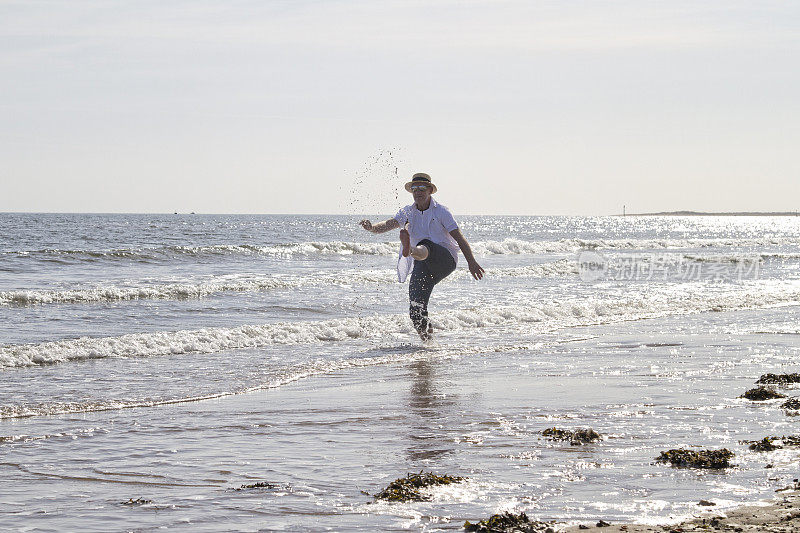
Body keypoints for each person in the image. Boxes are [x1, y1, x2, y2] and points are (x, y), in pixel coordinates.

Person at [360, 173, 484, 341]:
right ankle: (428, 345)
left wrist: (472, 262)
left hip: (445, 259)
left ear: (430, 191)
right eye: (414, 188)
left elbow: (459, 237)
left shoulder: (441, 211)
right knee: (416, 309)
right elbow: (388, 225)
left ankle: (409, 250)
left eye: (422, 188)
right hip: (423, 264)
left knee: (427, 245)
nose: (417, 192)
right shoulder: (407, 212)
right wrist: (372, 228)